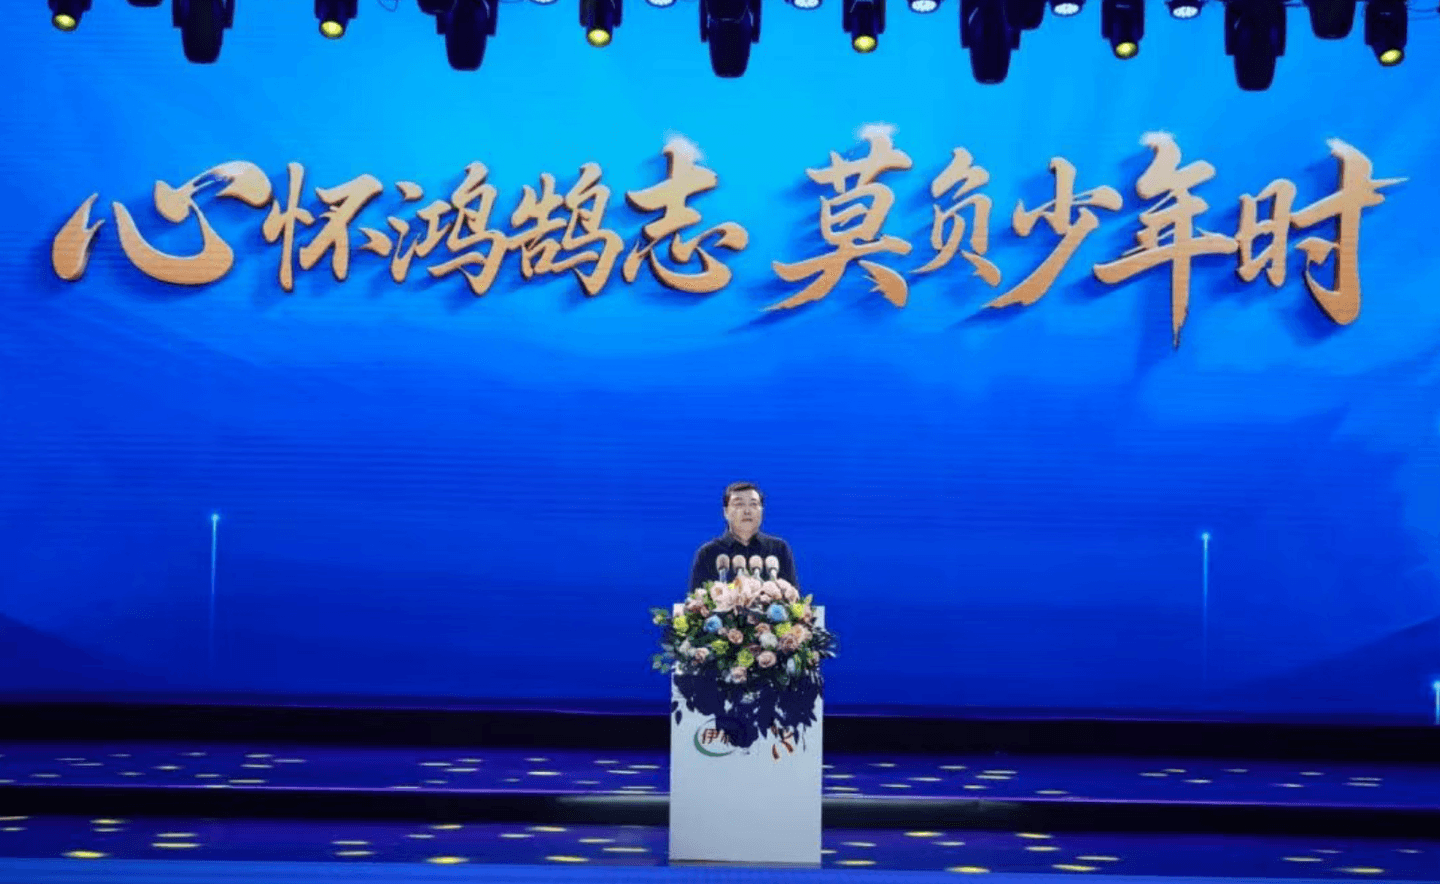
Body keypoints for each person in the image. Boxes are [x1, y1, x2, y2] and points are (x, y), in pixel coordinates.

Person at [688, 481, 798, 590]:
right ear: (725, 512)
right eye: (739, 504)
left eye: (753, 504)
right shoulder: (708, 553)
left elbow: (794, 598)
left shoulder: (779, 549)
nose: (747, 511)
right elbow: (696, 598)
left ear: (762, 511)